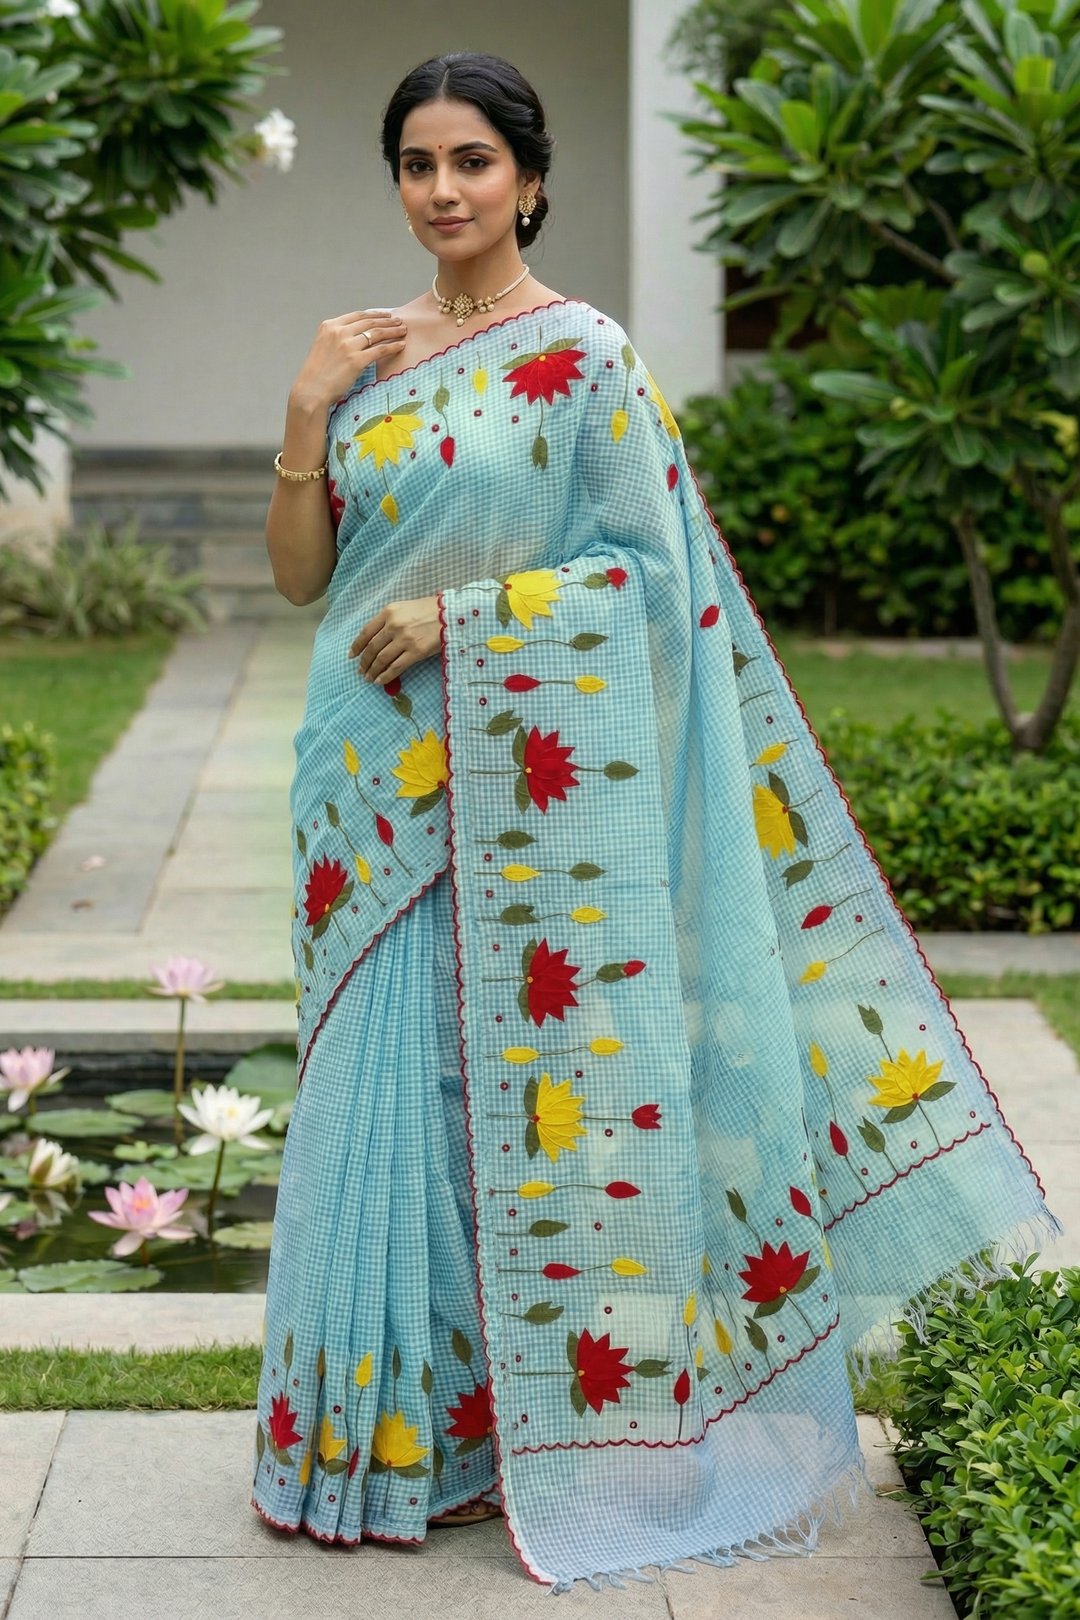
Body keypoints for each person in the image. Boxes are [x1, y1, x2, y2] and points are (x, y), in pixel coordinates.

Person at [251, 50, 1055, 1590]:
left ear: (529, 179)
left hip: (508, 772)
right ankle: (370, 1444)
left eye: (472, 161)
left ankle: (505, 1437)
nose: (443, 190)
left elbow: (649, 578)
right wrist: (304, 409)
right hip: (359, 783)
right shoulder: (362, 356)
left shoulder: (584, 357)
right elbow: (303, 579)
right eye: (417, 163)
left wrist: (466, 622)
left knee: (505, 1099)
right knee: (374, 1106)